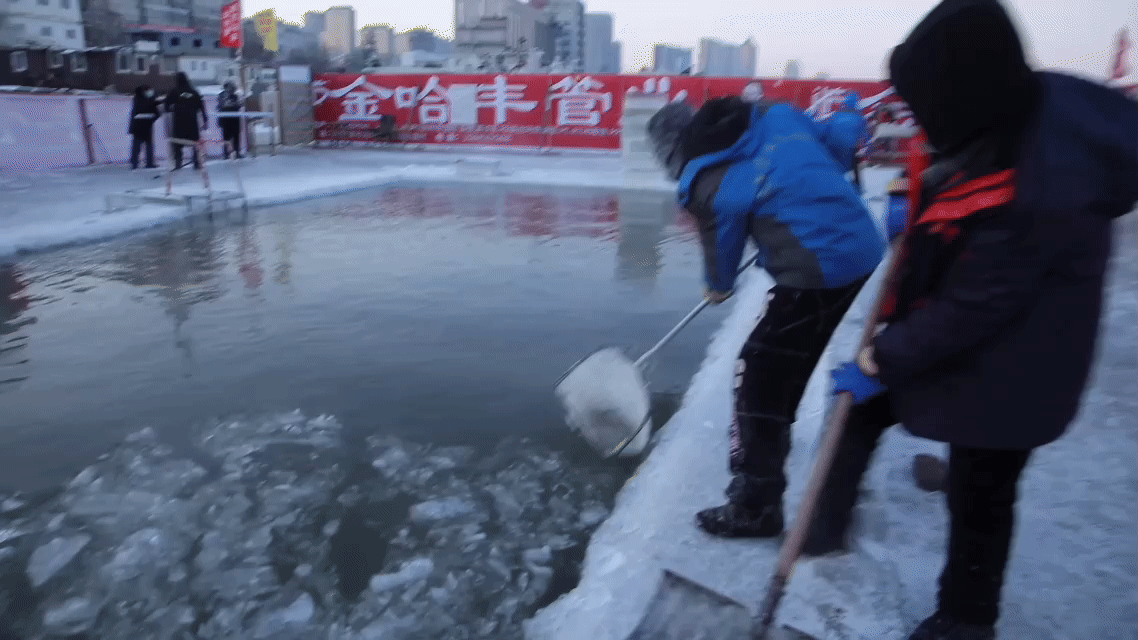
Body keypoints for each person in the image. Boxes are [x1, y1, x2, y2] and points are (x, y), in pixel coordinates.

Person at [814, 1, 1138, 639]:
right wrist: (917, 208)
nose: (922, 119)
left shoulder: (1049, 186)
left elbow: (977, 303)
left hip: (1020, 364)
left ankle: (966, 620)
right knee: (862, 414)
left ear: (964, 91)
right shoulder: (1007, 113)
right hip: (974, 332)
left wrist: (884, 355)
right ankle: (821, 535)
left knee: (983, 489)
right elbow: (955, 210)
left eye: (928, 102)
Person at [646, 95, 886, 538]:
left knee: (755, 374)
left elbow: (722, 263)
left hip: (820, 267)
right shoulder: (773, 115)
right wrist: (793, 208)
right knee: (782, 366)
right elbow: (838, 141)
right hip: (861, 246)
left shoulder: (706, 183)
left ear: (673, 150)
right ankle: (773, 446)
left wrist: (716, 287)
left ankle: (756, 506)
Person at [812, 91, 870, 191]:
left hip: (834, 144)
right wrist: (867, 148)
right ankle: (857, 185)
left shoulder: (837, 115)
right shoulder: (859, 117)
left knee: (835, 165)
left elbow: (827, 129)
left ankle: (828, 185)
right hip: (850, 146)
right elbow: (865, 134)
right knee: (853, 164)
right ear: (856, 103)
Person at [164, 72, 208, 170]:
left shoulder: (175, 91)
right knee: (195, 142)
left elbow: (166, 104)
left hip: (179, 121)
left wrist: (171, 109)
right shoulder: (193, 91)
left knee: (177, 142)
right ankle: (197, 162)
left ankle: (178, 162)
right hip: (192, 121)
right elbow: (201, 106)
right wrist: (205, 119)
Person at [128, 84, 161, 170]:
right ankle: (148, 163)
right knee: (147, 145)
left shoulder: (137, 99)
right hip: (146, 125)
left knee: (137, 145)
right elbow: (156, 113)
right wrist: (153, 118)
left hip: (138, 125)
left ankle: (135, 163)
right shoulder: (148, 100)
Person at [217, 81, 243, 160]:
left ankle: (226, 154)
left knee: (226, 137)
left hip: (226, 119)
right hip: (233, 119)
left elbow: (220, 106)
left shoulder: (221, 95)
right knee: (235, 137)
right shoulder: (234, 96)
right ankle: (236, 153)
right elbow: (237, 106)